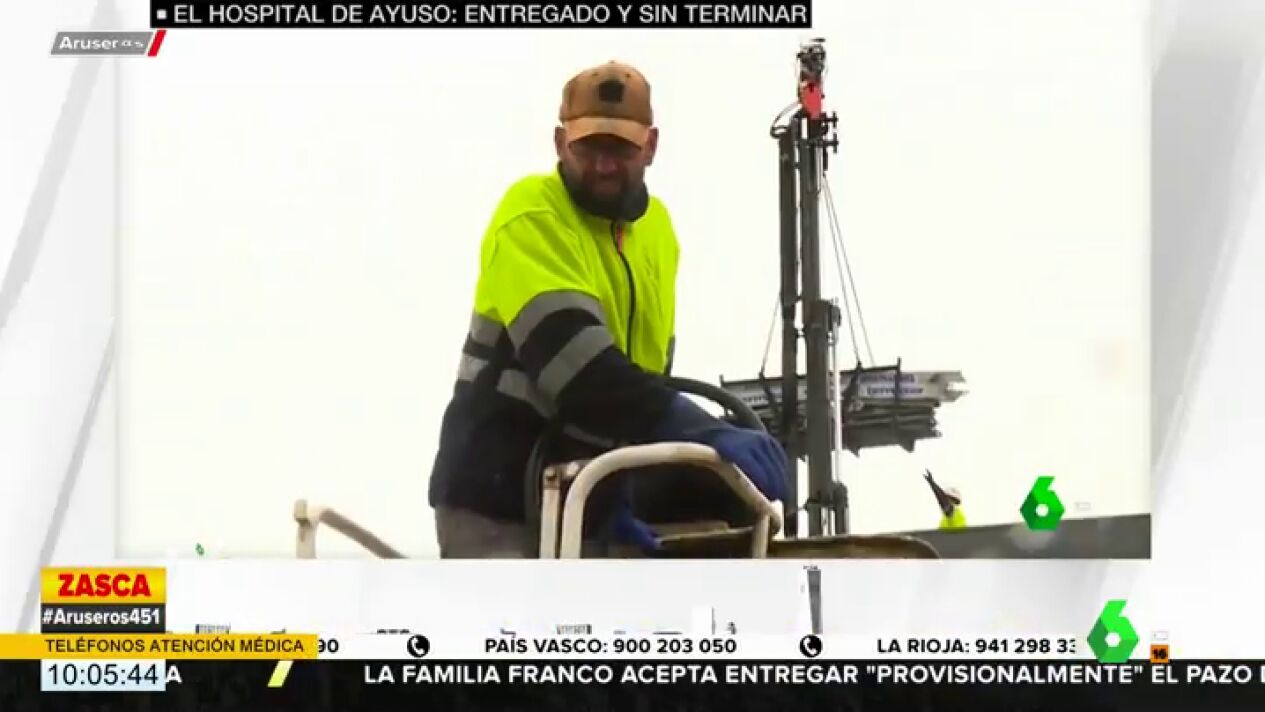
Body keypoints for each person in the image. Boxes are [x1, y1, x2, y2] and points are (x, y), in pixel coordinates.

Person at [427, 60, 789, 558]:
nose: (602, 165)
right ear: (560, 143)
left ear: (651, 146)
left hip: (588, 494)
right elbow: (581, 374)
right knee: (514, 614)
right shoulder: (531, 214)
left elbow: (641, 386)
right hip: (499, 504)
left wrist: (627, 488)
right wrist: (705, 430)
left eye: (619, 149)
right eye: (588, 148)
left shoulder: (657, 233)